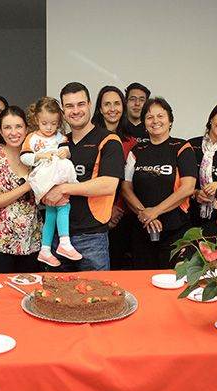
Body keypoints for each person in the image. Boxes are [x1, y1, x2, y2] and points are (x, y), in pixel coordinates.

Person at [43, 82, 124, 271]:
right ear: (63, 111)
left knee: (96, 290)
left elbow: (108, 185)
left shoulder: (109, 140)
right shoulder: (58, 143)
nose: (75, 111)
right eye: (69, 106)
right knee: (56, 290)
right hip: (57, 237)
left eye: (80, 104)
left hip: (92, 238)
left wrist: (64, 189)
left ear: (89, 105)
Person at [122, 97, 196, 269]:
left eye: (160, 116)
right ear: (144, 123)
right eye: (149, 117)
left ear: (170, 121)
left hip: (175, 229)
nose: (155, 121)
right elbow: (126, 188)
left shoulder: (182, 147)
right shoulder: (137, 151)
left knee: (173, 278)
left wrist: (155, 211)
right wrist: (144, 214)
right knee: (141, 279)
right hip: (142, 228)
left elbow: (188, 188)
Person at [0, 106, 42, 273]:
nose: (13, 132)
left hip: (31, 238)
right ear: (0, 131)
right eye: (7, 127)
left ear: (26, 129)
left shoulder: (36, 158)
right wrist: (26, 186)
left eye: (18, 126)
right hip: (0, 240)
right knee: (2, 288)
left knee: (30, 286)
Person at [21, 97, 81, 266]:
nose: (49, 128)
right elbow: (24, 157)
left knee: (51, 214)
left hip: (56, 178)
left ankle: (45, 250)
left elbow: (66, 151)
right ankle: (64, 242)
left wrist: (64, 153)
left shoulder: (60, 137)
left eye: (53, 124)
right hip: (43, 178)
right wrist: (40, 156)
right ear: (36, 119)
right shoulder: (32, 138)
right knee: (64, 206)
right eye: (44, 123)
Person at [92, 86, 135, 268]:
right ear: (100, 109)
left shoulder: (132, 142)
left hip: (121, 214)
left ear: (123, 107)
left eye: (117, 104)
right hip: (93, 213)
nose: (112, 109)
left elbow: (129, 181)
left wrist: (118, 208)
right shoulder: (91, 138)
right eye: (107, 104)